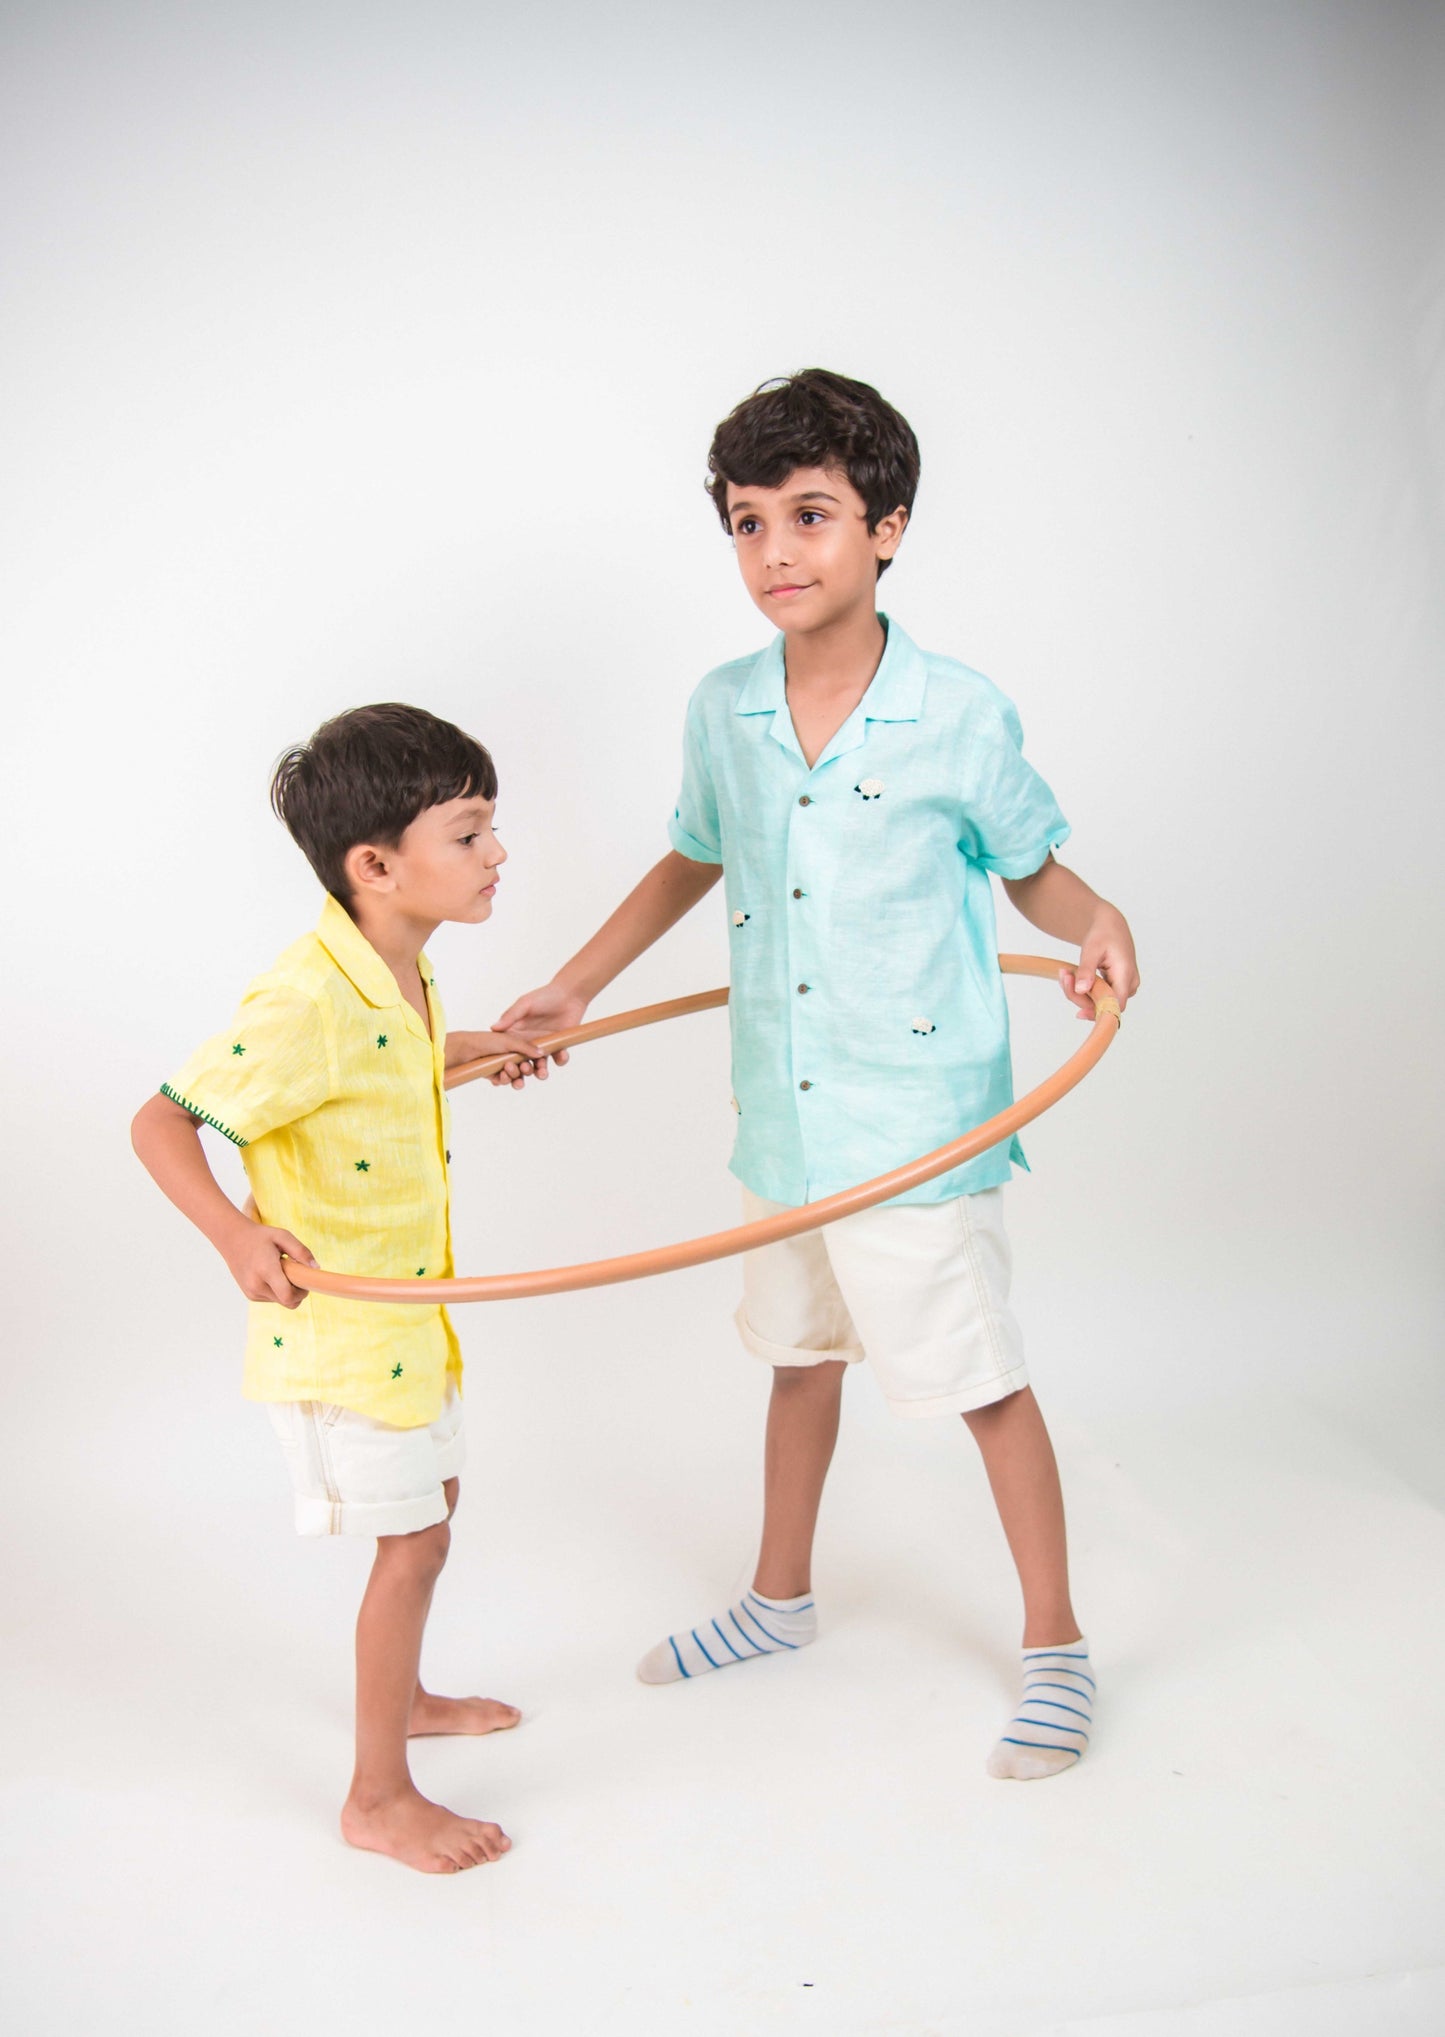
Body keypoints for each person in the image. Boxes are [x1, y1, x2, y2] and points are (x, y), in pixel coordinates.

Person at [498, 370, 1139, 1778]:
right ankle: (777, 1598)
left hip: (914, 1120)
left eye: (810, 515)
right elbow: (693, 850)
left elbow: (1033, 872)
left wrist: (1094, 923)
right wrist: (573, 986)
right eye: (744, 524)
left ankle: (1055, 1644)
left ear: (887, 527)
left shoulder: (957, 712)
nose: (774, 553)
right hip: (782, 1118)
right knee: (797, 1360)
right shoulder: (722, 705)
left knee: (978, 1379)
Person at [132, 702, 560, 1869]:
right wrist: (234, 1236)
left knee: (438, 1513)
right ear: (376, 865)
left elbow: (380, 1079)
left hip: (414, 1325)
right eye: (469, 834)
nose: (497, 855)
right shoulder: (307, 1000)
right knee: (411, 1546)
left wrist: (464, 1050)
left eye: (490, 830)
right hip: (339, 1336)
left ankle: (403, 1696)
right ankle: (377, 1798)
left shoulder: (393, 974)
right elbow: (163, 1123)